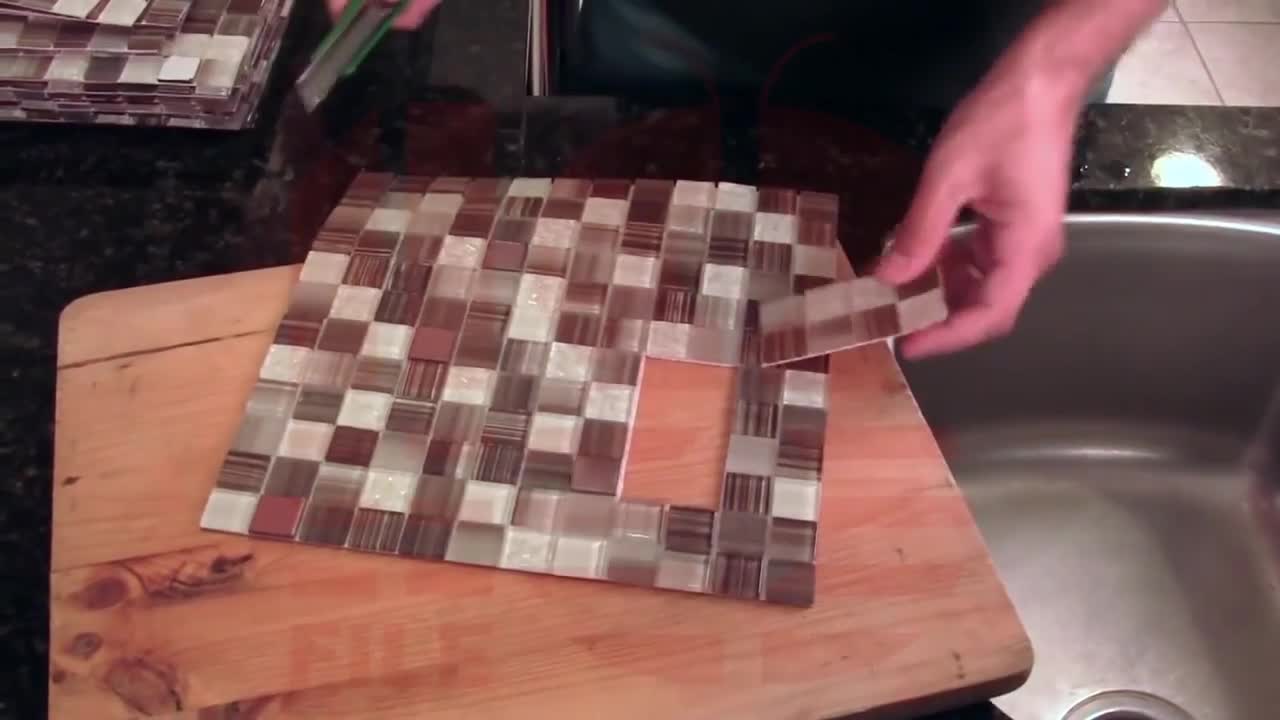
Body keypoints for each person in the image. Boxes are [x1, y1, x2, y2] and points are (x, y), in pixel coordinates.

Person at [329, 0, 1166, 359]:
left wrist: (1056, 67)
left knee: (876, 390)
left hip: (992, 72)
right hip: (669, 36)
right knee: (613, 335)